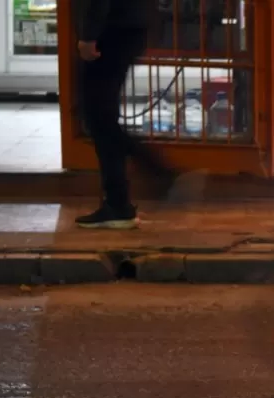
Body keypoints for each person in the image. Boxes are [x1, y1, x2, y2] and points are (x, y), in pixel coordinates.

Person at [76, 0, 176, 229]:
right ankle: (120, 201)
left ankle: (152, 173)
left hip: (111, 30)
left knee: (98, 117)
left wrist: (89, 34)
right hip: (127, 27)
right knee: (101, 117)